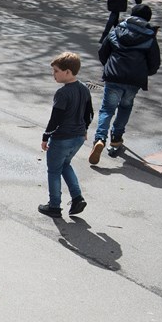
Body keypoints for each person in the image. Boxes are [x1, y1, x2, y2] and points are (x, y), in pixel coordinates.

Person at [89, 4, 160, 164]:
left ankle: (99, 139)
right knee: (125, 107)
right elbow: (154, 62)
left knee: (107, 109)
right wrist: (144, 72)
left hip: (114, 76)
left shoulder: (117, 30)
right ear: (147, 19)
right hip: (134, 80)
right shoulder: (149, 36)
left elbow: (103, 52)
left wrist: (109, 66)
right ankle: (116, 139)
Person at [38, 52, 93, 218]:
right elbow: (89, 114)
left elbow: (56, 118)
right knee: (65, 165)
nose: (53, 74)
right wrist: (84, 130)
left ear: (68, 72)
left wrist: (46, 136)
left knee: (54, 171)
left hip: (62, 138)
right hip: (78, 137)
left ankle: (54, 205)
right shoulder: (84, 88)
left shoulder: (62, 93)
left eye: (56, 71)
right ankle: (77, 198)